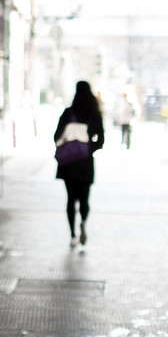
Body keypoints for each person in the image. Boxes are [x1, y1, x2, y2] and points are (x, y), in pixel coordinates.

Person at [54, 81, 104, 247]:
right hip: (85, 163)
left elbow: (56, 136)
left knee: (70, 199)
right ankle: (83, 221)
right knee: (84, 199)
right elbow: (101, 140)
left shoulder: (68, 112)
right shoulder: (94, 114)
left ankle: (73, 235)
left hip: (68, 162)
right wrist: (87, 149)